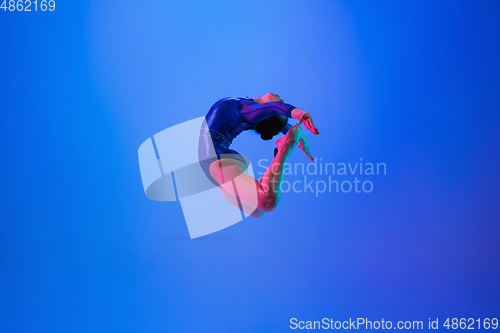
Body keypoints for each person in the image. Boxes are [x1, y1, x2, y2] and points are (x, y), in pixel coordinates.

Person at [198, 92, 319, 218]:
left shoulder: (243, 109)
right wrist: (302, 138)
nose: (281, 98)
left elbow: (274, 107)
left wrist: (301, 114)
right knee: (257, 210)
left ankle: (285, 147)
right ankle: (270, 174)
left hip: (216, 158)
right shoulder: (251, 114)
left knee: (265, 204)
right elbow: (276, 118)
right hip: (212, 163)